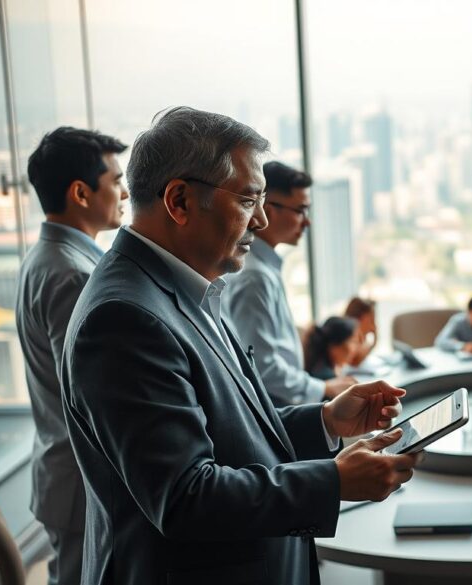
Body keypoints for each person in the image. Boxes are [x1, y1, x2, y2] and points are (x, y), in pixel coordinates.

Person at [60, 107, 418, 585]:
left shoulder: (188, 285)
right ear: (180, 201)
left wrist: (327, 419)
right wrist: (333, 481)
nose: (263, 219)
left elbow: (232, 430)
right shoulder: (123, 318)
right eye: (250, 200)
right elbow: (186, 496)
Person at [15, 127, 128, 585]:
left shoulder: (46, 257)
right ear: (81, 193)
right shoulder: (74, 275)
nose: (124, 192)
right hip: (84, 485)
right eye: (116, 181)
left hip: (67, 474)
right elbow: (92, 395)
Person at [226, 161, 353, 406]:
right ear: (269, 209)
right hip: (278, 412)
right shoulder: (255, 277)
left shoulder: (262, 267)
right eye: (300, 210)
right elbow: (262, 368)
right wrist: (323, 387)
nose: (307, 222)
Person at [344, 297, 377, 366]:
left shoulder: (358, 337)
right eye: (371, 320)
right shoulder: (348, 337)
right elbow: (357, 360)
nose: (373, 325)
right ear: (359, 319)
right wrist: (374, 340)